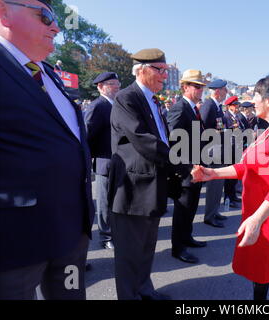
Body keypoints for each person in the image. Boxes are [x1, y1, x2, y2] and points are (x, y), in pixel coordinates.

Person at [0, 0, 94, 299]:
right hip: (17, 242)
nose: (55, 26)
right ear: (3, 11)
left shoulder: (49, 73)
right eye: (45, 16)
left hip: (70, 231)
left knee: (70, 293)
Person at [192, 72, 269, 300]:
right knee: (261, 271)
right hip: (261, 212)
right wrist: (212, 173)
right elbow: (247, 167)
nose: (253, 101)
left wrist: (257, 218)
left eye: (256, 96)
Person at [107, 48, 175, 300]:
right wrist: (180, 162)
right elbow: (143, 140)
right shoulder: (127, 98)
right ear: (142, 70)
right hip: (132, 188)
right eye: (160, 70)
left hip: (152, 185)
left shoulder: (153, 100)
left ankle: (144, 289)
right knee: (128, 253)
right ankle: (129, 296)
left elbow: (163, 138)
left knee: (147, 247)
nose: (164, 77)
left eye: (165, 71)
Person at [167, 69, 208, 264]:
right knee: (182, 210)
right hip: (185, 170)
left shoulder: (192, 108)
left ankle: (187, 237)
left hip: (195, 167)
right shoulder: (179, 108)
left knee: (191, 207)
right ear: (185, 87)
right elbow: (173, 141)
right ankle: (178, 247)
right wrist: (188, 165)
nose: (200, 90)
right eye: (196, 86)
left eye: (201, 87)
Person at [84, 71, 121, 250]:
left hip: (118, 160)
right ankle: (106, 236)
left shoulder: (115, 104)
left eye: (117, 83)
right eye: (112, 83)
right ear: (100, 87)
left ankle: (114, 231)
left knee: (115, 200)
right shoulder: (97, 106)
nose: (117, 86)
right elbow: (87, 135)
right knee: (105, 202)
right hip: (104, 161)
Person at [200, 79, 229, 228]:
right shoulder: (209, 106)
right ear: (217, 91)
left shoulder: (216, 106)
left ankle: (214, 211)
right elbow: (202, 130)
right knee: (214, 185)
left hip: (219, 150)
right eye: (225, 89)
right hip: (213, 152)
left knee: (218, 185)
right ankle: (209, 216)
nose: (227, 92)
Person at [223, 96, 243, 208]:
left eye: (237, 105)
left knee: (235, 174)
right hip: (230, 148)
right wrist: (232, 127)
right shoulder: (226, 116)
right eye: (235, 105)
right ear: (229, 106)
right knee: (229, 176)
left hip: (236, 147)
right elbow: (223, 131)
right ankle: (227, 198)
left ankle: (233, 195)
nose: (237, 107)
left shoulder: (236, 116)